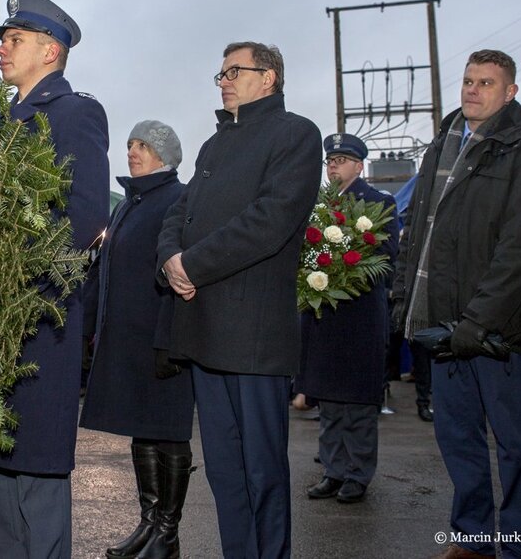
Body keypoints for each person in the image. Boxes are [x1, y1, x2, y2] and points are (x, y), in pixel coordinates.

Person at [391, 50, 521, 559]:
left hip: (498, 333)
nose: (472, 90)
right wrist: (404, 303)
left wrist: (478, 321)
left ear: (510, 92)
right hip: (442, 328)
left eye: (486, 82)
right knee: (458, 441)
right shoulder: (442, 146)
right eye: (468, 80)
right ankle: (472, 537)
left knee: (516, 448)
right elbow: (416, 236)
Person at [157, 41, 322, 558]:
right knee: (226, 474)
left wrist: (193, 265)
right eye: (221, 73)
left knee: (262, 471)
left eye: (234, 71)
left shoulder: (294, 134)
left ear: (268, 77)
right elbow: (177, 214)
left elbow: (269, 222)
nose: (223, 80)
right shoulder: (213, 145)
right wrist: (170, 260)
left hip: (252, 337)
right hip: (203, 328)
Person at [0, 0, 109, 558]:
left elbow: (85, 214)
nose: (3, 49)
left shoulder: (75, 112)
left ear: (50, 51)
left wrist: (14, 270)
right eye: (5, 40)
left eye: (15, 40)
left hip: (38, 316)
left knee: (35, 470)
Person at [80, 120, 194, 558]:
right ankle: (149, 523)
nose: (132, 151)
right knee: (142, 432)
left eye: (143, 145)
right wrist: (90, 326)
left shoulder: (176, 199)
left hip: (161, 340)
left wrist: (170, 339)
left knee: (167, 431)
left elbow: (179, 270)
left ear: (165, 156)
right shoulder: (130, 204)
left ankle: (168, 533)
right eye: (130, 144)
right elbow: (103, 272)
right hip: (128, 339)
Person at [301, 133, 399, 504]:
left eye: (341, 160)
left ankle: (357, 473)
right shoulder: (318, 206)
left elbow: (388, 256)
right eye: (330, 161)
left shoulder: (379, 202)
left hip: (359, 319)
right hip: (325, 319)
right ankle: (334, 469)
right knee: (329, 403)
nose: (333, 166)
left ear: (360, 165)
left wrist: (344, 266)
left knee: (358, 403)